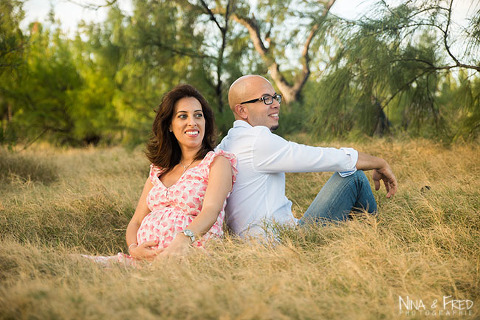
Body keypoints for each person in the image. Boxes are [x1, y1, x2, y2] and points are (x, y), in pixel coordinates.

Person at [216, 75, 397, 238]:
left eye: (275, 97)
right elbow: (320, 157)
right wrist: (379, 162)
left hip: (252, 243)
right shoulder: (257, 140)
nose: (276, 104)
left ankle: (356, 239)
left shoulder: (226, 143)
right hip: (283, 241)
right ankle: (378, 239)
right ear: (242, 111)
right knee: (354, 177)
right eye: (266, 99)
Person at [84, 84, 237, 265]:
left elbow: (211, 211)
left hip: (192, 257)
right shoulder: (159, 170)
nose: (192, 122)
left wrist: (183, 239)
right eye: (183, 116)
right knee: (77, 262)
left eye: (198, 115)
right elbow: (137, 221)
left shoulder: (216, 163)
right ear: (170, 126)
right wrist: (134, 249)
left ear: (205, 121)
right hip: (143, 260)